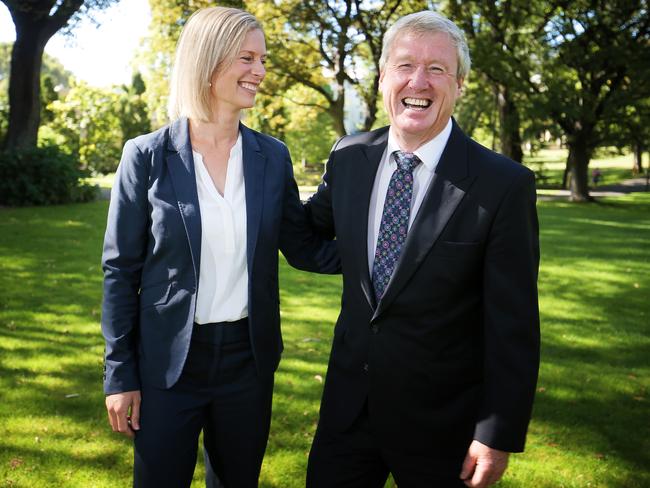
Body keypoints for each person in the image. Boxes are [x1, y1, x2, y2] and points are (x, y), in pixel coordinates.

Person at [100, 7, 338, 488]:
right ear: (208, 62)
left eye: (263, 60)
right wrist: (120, 375)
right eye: (247, 58)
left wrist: (384, 253)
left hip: (247, 361)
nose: (261, 72)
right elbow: (120, 272)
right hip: (167, 364)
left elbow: (303, 246)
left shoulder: (271, 156)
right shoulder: (145, 156)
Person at [305, 10, 540, 488]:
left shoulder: (503, 184)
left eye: (437, 69)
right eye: (405, 65)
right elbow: (307, 233)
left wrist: (496, 433)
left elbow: (512, 324)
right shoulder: (349, 157)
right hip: (348, 413)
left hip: (445, 427)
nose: (420, 80)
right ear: (383, 76)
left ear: (459, 85)